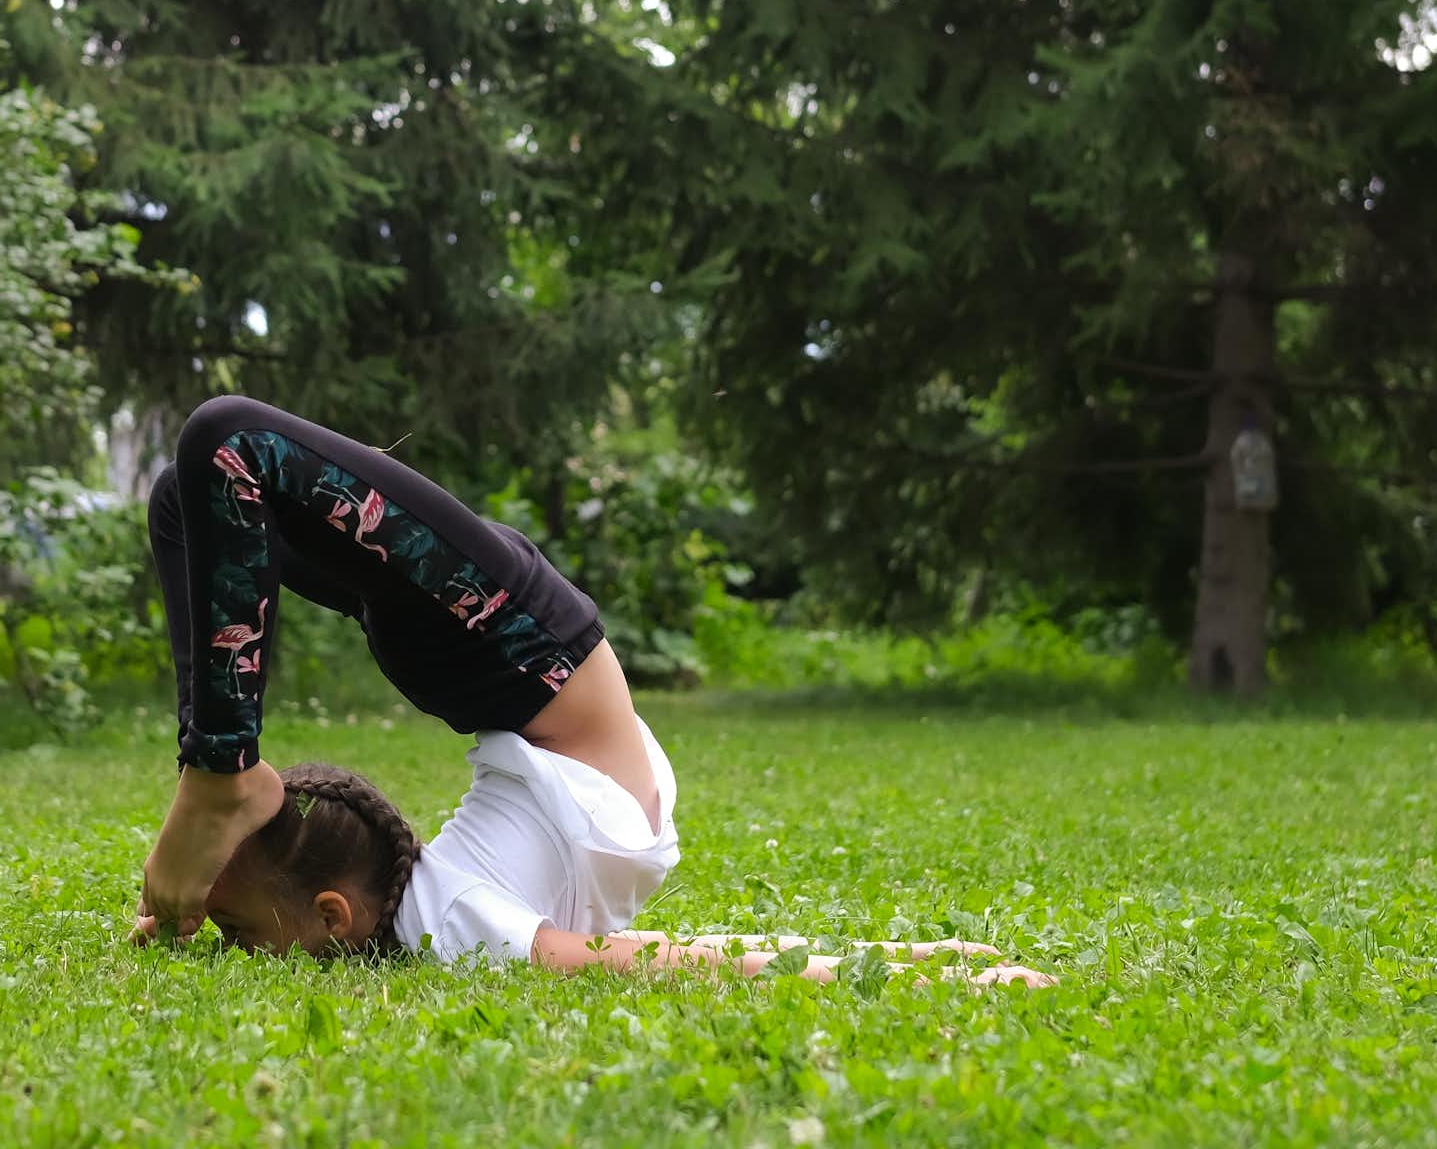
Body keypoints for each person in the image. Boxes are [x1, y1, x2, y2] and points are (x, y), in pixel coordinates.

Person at [130, 395, 1052, 986]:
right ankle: (222, 769)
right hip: (531, 671)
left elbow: (659, 956)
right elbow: (657, 957)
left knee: (195, 481)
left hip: (536, 689)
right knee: (221, 453)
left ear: (333, 916)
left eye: (244, 937)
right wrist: (918, 969)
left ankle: (223, 769)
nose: (239, 954)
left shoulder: (445, 924)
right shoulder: (444, 925)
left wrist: (918, 959)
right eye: (234, 936)